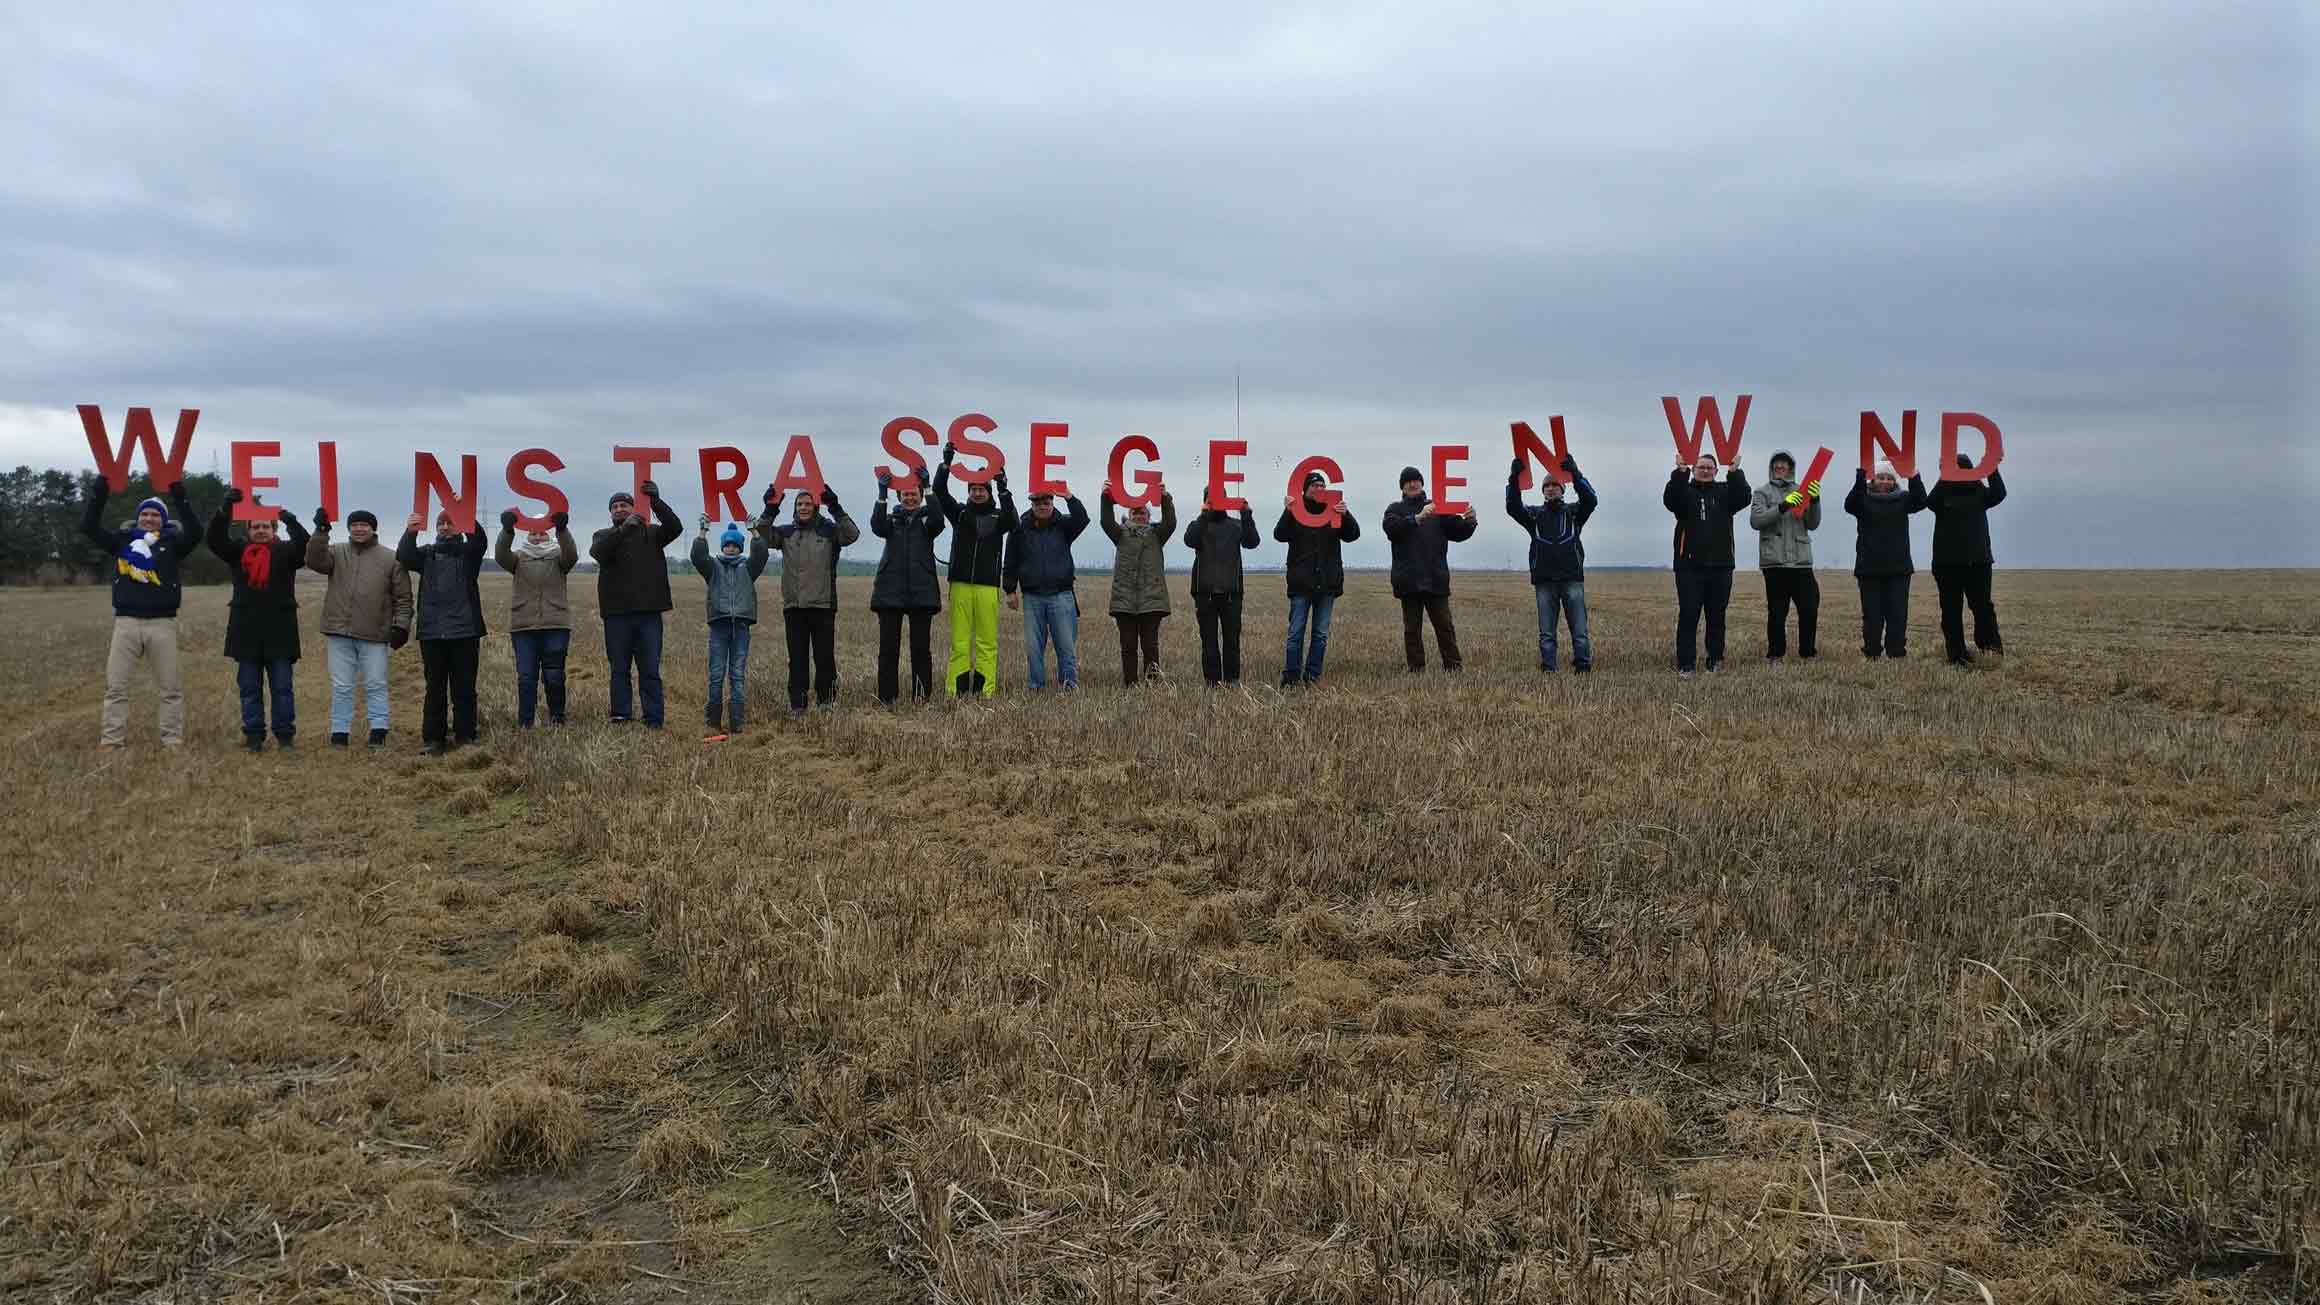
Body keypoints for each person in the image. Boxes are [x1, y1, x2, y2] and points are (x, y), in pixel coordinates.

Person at [80, 474, 199, 749]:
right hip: (126, 623)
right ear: (137, 518)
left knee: (170, 689)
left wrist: (182, 499)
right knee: (116, 688)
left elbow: (196, 532)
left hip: (162, 624)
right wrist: (98, 495)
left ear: (164, 520)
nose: (149, 518)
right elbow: (89, 527)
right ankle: (112, 742)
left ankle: (172, 742)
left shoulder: (173, 545)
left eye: (155, 515)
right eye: (144, 514)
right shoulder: (122, 542)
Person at [208, 488, 308, 750]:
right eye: (255, 527)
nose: (261, 530)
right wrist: (225, 511)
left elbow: (304, 545)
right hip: (246, 632)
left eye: (266, 526)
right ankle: (254, 737)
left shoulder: (287, 553)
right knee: (249, 689)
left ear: (273, 530)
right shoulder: (238, 552)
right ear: (248, 531)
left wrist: (291, 520)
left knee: (283, 689)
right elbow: (215, 539)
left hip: (281, 632)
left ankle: (285, 736)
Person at [307, 506, 412, 747]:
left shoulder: (391, 558)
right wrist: (321, 531)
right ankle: (339, 733)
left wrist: (401, 627)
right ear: (349, 528)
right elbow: (313, 560)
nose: (359, 529)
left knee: (375, 684)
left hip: (375, 634)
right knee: (342, 686)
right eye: (354, 525)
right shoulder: (335, 552)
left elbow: (404, 598)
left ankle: (378, 731)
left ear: (373, 528)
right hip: (338, 631)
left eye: (364, 524)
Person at [759, 485, 860, 714]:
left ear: (815, 506)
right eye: (799, 504)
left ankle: (826, 702)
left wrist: (835, 507)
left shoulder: (829, 531)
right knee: (797, 659)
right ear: (794, 508)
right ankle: (798, 704)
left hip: (823, 606)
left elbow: (852, 535)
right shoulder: (785, 533)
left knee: (825, 659)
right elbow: (761, 535)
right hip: (794, 606)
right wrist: (770, 509)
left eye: (807, 504)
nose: (803, 508)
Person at [589, 481, 683, 727]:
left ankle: (653, 718)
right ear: (610, 513)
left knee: (650, 670)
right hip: (616, 616)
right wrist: (624, 531)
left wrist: (657, 503)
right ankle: (621, 714)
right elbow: (598, 553)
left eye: (625, 505)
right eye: (615, 507)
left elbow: (675, 528)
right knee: (619, 669)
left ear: (633, 508)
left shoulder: (652, 534)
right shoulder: (603, 536)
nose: (620, 509)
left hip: (648, 615)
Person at [398, 510, 489, 753]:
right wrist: (411, 530)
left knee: (464, 688)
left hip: (465, 631)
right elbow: (404, 556)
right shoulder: (426, 555)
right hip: (432, 632)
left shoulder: (469, 554)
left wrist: (465, 511)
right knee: (434, 688)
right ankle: (433, 740)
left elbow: (480, 541)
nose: (445, 527)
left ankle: (465, 737)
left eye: (451, 523)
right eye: (441, 524)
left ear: (459, 527)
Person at [932, 447, 1017, 697]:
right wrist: (945, 463)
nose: (977, 493)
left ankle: (984, 691)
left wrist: (1003, 487)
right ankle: (955, 690)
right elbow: (939, 491)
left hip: (988, 587)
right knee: (959, 641)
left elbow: (1014, 522)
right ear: (968, 491)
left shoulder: (1000, 516)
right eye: (973, 489)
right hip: (960, 584)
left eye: (981, 489)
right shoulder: (959, 513)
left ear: (988, 491)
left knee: (987, 642)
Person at [1504, 455, 1597, 674]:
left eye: (1556, 485)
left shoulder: (1574, 513)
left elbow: (1591, 500)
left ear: (1563, 490)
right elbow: (1513, 507)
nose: (1551, 489)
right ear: (1542, 491)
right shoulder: (1534, 515)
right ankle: (1549, 668)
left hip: (1572, 578)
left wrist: (1575, 474)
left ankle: (1583, 666)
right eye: (1547, 486)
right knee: (1546, 632)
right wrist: (1513, 480)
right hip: (1544, 581)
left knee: (1580, 630)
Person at [1663, 453, 1751, 677]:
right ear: (1693, 470)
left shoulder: (1725, 493)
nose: (1705, 470)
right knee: (1689, 615)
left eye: (1709, 467)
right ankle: (1686, 664)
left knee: (1717, 617)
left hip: (1721, 567)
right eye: (1700, 467)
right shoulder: (1685, 492)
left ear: (1716, 471)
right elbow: (1670, 499)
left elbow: (1744, 497)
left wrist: (1735, 473)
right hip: (1689, 568)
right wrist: (1679, 472)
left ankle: (1715, 660)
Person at [1382, 466, 1477, 673]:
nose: (1412, 484)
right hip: (1408, 580)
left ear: (1422, 483)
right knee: (1412, 630)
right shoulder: (1394, 509)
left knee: (1445, 627)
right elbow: (1391, 529)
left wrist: (1470, 522)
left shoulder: (1438, 508)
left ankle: (1453, 667)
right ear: (1402, 487)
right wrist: (1415, 519)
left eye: (1416, 480)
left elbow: (1458, 532)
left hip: (1435, 578)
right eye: (1407, 482)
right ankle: (1416, 669)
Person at [1275, 471, 1361, 686]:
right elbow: (1279, 534)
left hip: (1327, 583)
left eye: (1322, 485)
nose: (1319, 488)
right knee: (1295, 633)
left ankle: (1312, 676)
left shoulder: (1333, 511)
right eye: (1314, 485)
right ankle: (1291, 677)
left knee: (1320, 634)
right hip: (1301, 584)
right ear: (1304, 489)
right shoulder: (1295, 512)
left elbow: (1353, 534)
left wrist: (1346, 513)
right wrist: (1288, 511)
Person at [494, 509, 579, 728]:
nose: (538, 537)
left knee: (554, 676)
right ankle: (526, 722)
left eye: (542, 534)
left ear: (549, 535)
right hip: (524, 627)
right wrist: (506, 530)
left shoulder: (559, 557)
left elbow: (572, 555)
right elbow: (501, 555)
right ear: (527, 536)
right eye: (533, 533)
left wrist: (562, 530)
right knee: (526, 677)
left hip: (555, 625)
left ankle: (557, 719)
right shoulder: (518, 558)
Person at [869, 465, 945, 705]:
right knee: (888, 650)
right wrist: (882, 494)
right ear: (899, 497)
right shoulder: (891, 521)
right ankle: (887, 698)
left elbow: (938, 521)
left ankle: (921, 697)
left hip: (921, 592)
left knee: (921, 650)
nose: (910, 498)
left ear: (921, 497)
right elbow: (876, 526)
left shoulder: (927, 522)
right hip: (890, 592)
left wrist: (930, 487)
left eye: (914, 494)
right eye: (905, 494)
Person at [1002, 485, 1090, 692]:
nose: (1042, 506)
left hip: (1062, 595)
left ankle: (1069, 685)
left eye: (1046, 502)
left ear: (1052, 503)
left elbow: (1082, 519)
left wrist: (1069, 496)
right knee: (1034, 648)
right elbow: (1010, 560)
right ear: (1031, 504)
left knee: (1066, 647)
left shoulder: (1064, 526)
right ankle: (1036, 687)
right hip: (1032, 597)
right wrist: (1010, 590)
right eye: (1037, 503)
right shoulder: (1019, 528)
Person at [1926, 454, 2008, 666]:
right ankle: (1957, 655)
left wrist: (1991, 468)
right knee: (1951, 610)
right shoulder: (1942, 492)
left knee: (1982, 607)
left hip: (1978, 562)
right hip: (1947, 564)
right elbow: (1930, 502)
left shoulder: (1979, 491)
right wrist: (1945, 477)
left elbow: (1999, 493)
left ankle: (1990, 648)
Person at [691, 516, 769, 738]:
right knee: (716, 675)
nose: (731, 548)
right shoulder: (713, 568)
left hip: (741, 627)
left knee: (737, 675)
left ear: (740, 547)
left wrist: (754, 531)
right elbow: (697, 556)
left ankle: (737, 724)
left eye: (735, 545)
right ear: (722, 546)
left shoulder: (748, 568)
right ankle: (712, 722)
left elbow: (761, 554)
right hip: (719, 627)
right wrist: (702, 532)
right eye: (727, 544)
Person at [1844, 460, 1930, 659]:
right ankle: (1872, 652)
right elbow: (1850, 505)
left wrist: (1914, 475)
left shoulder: (1903, 499)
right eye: (1880, 477)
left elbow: (1921, 500)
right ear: (1872, 480)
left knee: (1898, 615)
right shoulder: (1863, 500)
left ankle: (1896, 652)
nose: (1884, 481)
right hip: (1869, 569)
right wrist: (1860, 477)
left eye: (1889, 478)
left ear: (1895, 481)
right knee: (1872, 616)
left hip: (1899, 569)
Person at [1748, 450, 1823, 664]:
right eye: (1776, 464)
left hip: (1801, 561)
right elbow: (1756, 521)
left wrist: (1815, 500)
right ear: (1771, 468)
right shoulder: (1761, 493)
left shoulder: (1803, 490)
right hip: (1775, 562)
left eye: (1784, 464)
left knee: (1809, 608)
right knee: (1777, 612)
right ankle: (1775, 655)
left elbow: (1813, 524)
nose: (1780, 467)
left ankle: (1808, 653)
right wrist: (1782, 506)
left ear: (1791, 468)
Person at [1181, 490, 1260, 686]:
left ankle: (1231, 680)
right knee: (1209, 641)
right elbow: (1189, 539)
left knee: (1232, 641)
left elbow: (1252, 542)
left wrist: (1246, 514)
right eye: (1210, 498)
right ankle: (1212, 682)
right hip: (1205, 593)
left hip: (1231, 593)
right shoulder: (1199, 525)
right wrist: (1204, 514)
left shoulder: (1235, 525)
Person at [1099, 484, 1175, 685]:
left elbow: (1171, 523)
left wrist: (1165, 497)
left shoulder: (1158, 535)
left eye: (1143, 512)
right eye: (1135, 512)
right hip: (1125, 600)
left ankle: (1152, 681)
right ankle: (1130, 683)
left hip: (1152, 600)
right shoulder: (1120, 534)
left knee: (1150, 646)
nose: (1139, 515)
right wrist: (1106, 497)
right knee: (1128, 646)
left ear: (1149, 516)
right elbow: (1106, 521)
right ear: (1129, 515)